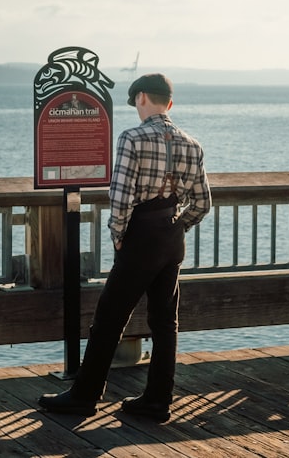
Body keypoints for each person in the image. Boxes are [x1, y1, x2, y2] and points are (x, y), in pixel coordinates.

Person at [38, 72, 211, 423]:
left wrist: (118, 234)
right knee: (165, 323)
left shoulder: (132, 138)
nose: (135, 108)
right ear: (170, 103)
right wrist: (179, 226)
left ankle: (85, 396)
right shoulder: (192, 144)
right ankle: (157, 401)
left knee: (109, 319)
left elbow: (121, 196)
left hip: (141, 236)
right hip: (171, 236)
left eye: (135, 102)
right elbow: (203, 202)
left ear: (142, 97)